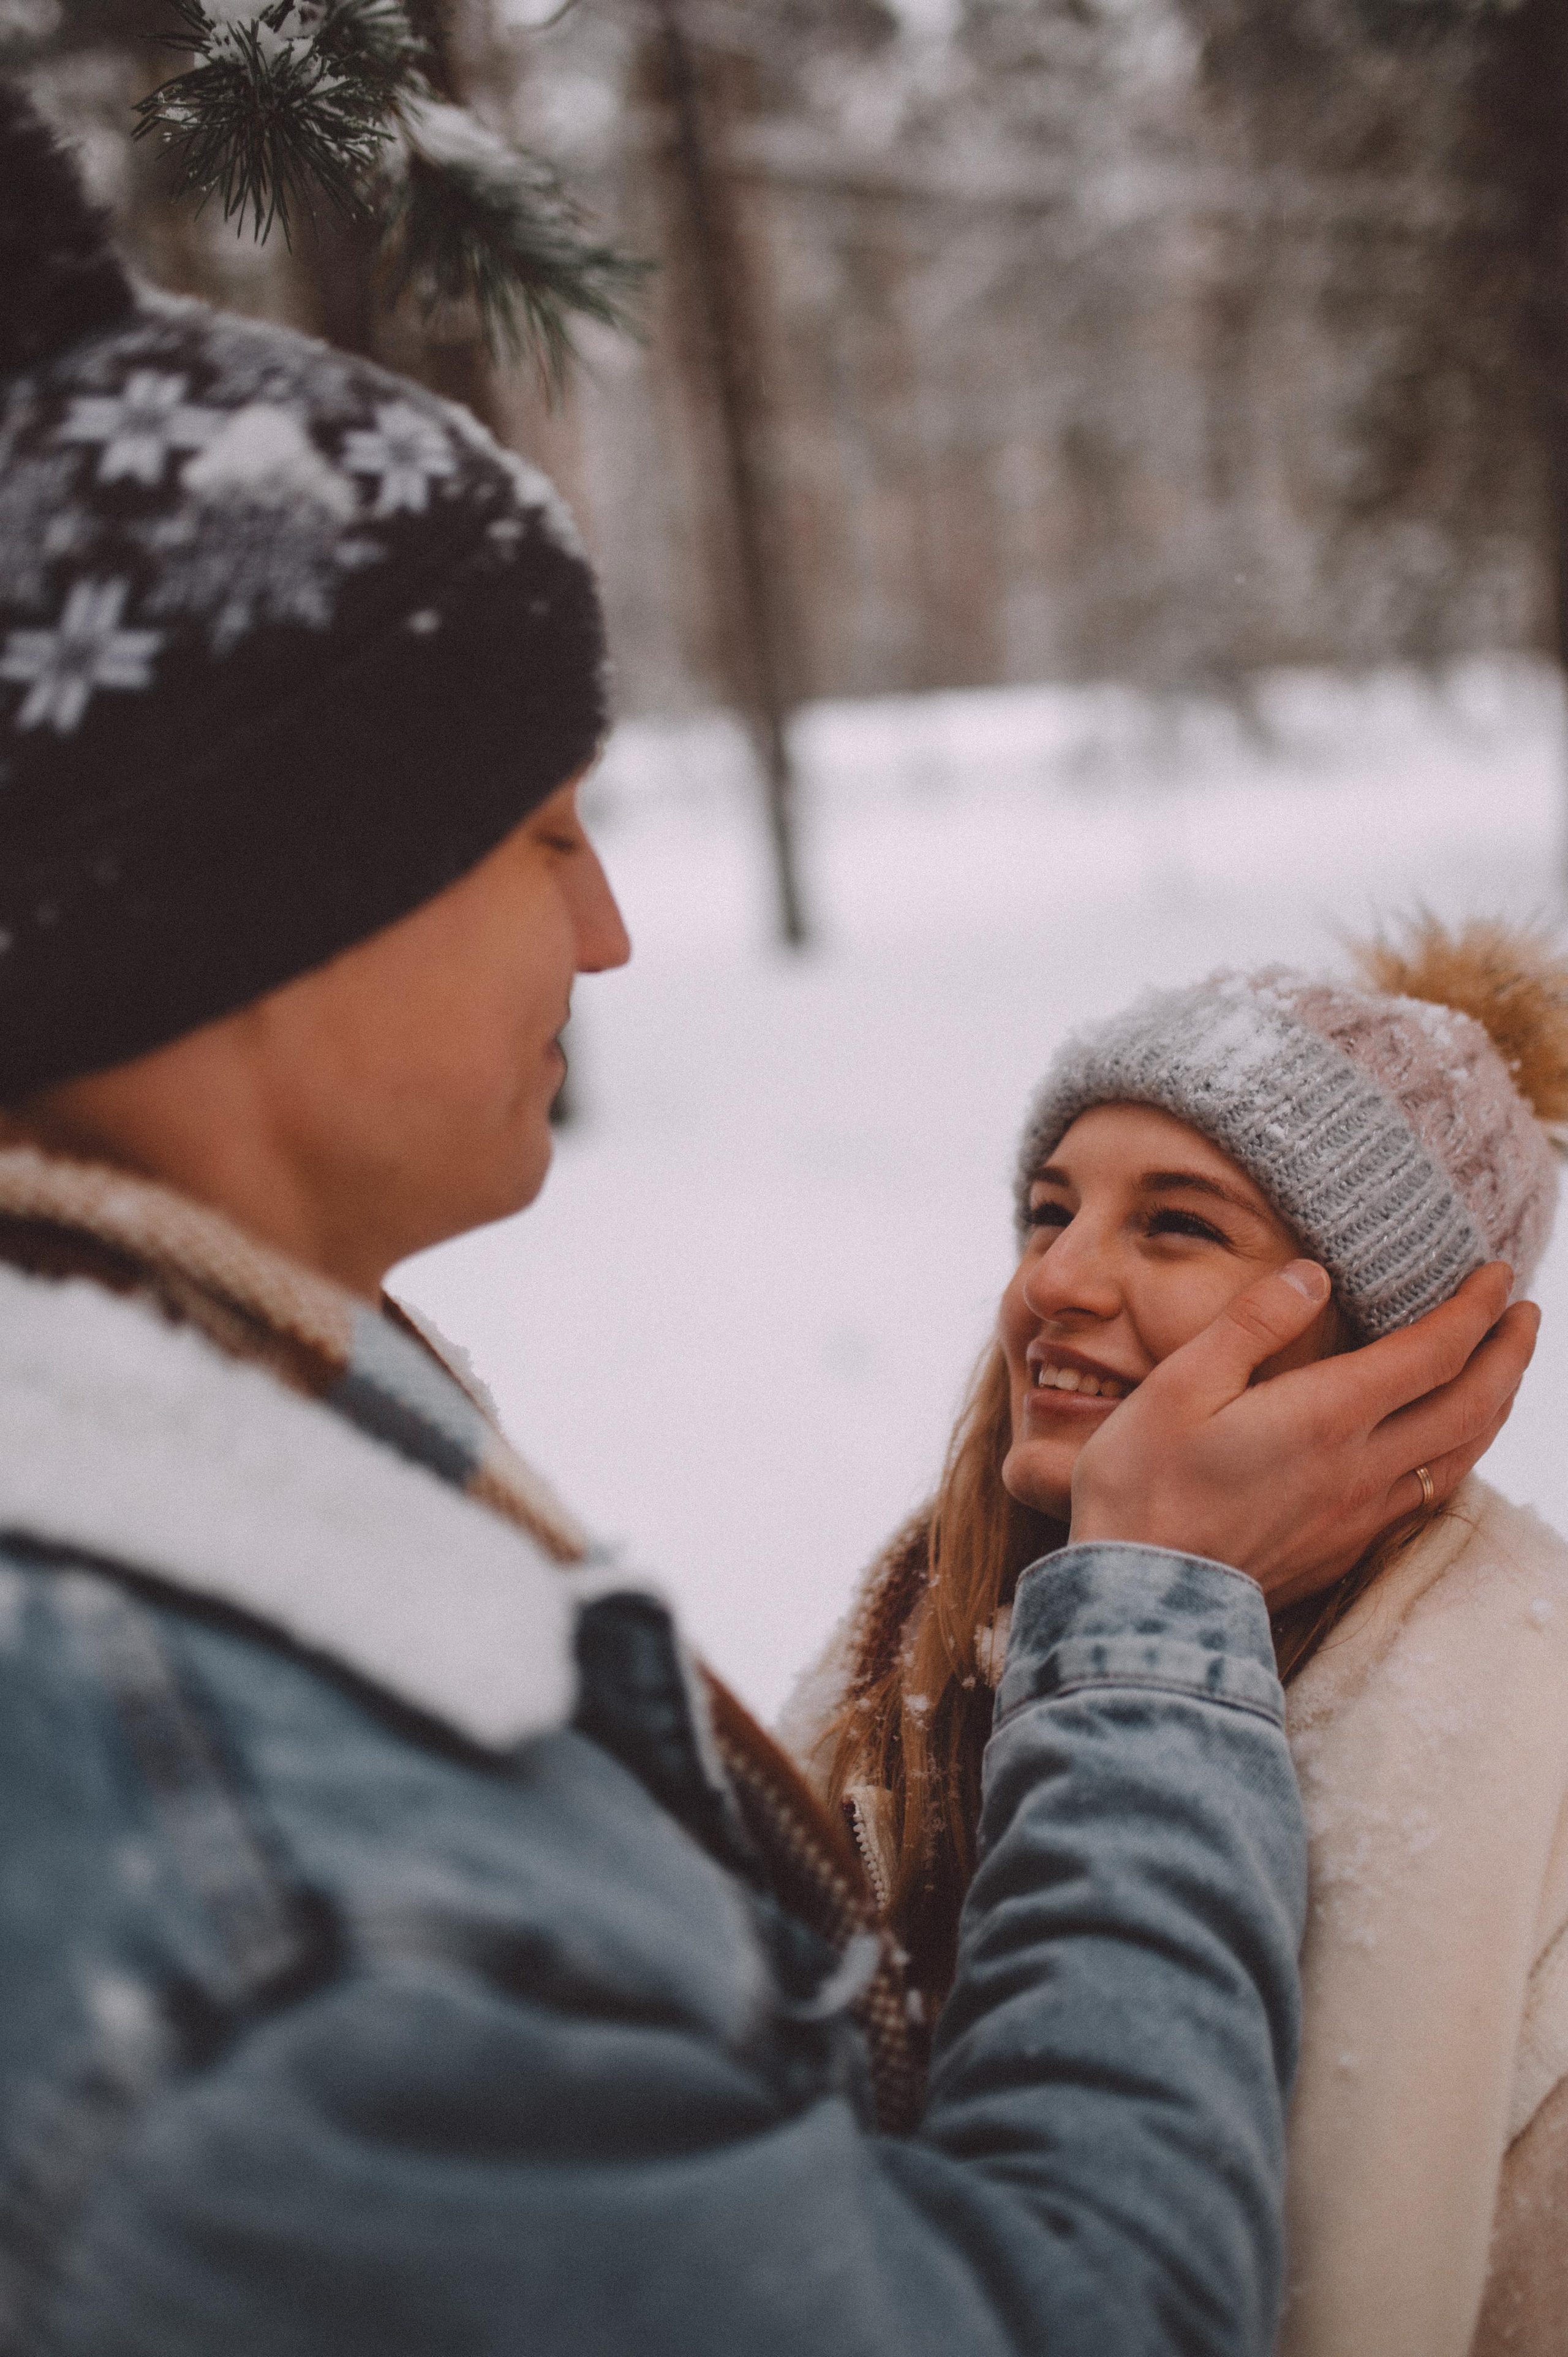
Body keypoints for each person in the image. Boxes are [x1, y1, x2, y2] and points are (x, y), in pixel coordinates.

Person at [0, 83, 1536, 2356]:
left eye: (1184, 1218)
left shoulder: (245, 1509)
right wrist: (1157, 1614)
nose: (610, 932)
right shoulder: (263, 1895)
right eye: (543, 829)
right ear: (271, 891)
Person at [789, 923, 1568, 2357]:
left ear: (1391, 1350)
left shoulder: (1525, 1720)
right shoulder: (913, 1619)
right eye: (1046, 1209)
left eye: (1175, 1224)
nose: (1053, 1282)